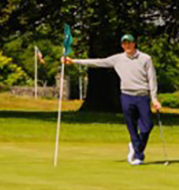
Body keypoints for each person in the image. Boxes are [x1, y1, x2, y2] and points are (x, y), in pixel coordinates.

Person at [65, 34, 161, 166]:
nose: (127, 45)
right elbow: (97, 62)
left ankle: (136, 145)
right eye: (125, 43)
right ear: (122, 45)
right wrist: (74, 61)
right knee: (131, 126)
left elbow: (152, 79)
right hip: (127, 95)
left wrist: (154, 98)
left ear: (134, 44)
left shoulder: (145, 58)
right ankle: (139, 156)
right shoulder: (118, 59)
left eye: (130, 43)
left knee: (147, 126)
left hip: (142, 96)